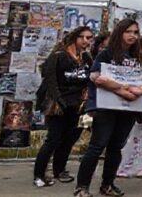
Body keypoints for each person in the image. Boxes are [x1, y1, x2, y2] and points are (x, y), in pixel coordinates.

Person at [74, 19, 142, 197]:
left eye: (136, 32)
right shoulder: (107, 53)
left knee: (116, 147)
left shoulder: (139, 57)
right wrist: (120, 89)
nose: (133, 35)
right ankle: (82, 187)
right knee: (97, 145)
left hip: (129, 109)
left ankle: (107, 184)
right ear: (120, 33)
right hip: (107, 108)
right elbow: (94, 76)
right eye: (129, 31)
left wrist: (140, 90)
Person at [33, 26, 94, 187]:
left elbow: (92, 78)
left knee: (70, 140)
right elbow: (50, 81)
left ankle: (59, 170)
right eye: (84, 37)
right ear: (75, 37)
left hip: (80, 106)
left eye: (89, 38)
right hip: (59, 105)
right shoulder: (58, 56)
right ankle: (39, 174)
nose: (87, 41)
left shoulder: (86, 57)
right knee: (53, 140)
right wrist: (59, 101)